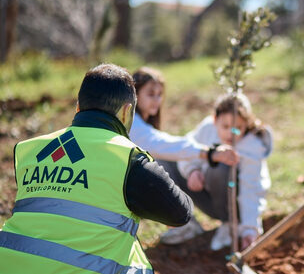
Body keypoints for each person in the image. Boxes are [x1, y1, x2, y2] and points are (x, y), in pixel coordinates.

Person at [0, 64, 194, 274]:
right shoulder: (128, 158)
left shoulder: (30, 149)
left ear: (78, 107)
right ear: (127, 111)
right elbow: (179, 213)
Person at [128, 67, 239, 243]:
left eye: (159, 94)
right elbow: (161, 144)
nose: (157, 100)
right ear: (134, 95)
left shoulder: (141, 123)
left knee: (163, 160)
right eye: (150, 94)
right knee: (156, 162)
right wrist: (208, 153)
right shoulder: (132, 124)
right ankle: (182, 224)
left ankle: (186, 225)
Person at [160, 92, 273, 251]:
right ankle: (187, 224)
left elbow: (251, 189)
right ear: (215, 120)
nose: (230, 134)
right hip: (208, 197)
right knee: (164, 160)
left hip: (235, 205)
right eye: (225, 127)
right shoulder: (207, 128)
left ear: (247, 124)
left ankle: (230, 224)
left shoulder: (252, 147)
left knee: (221, 167)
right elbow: (185, 150)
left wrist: (250, 229)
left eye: (238, 128)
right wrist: (192, 170)